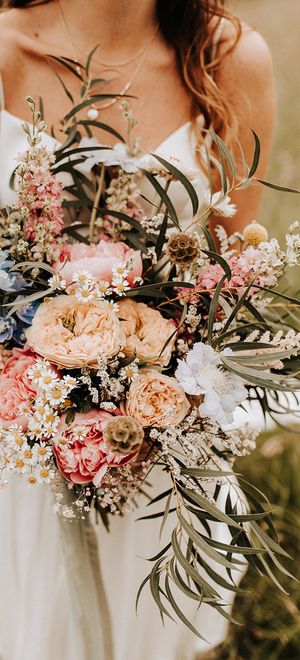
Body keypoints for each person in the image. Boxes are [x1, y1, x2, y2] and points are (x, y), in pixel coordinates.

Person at [0, 2, 275, 659]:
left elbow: (232, 283)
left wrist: (145, 378)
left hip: (161, 458)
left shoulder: (227, 60)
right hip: (19, 450)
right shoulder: (5, 49)